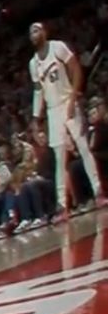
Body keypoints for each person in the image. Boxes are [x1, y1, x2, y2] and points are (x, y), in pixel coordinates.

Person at [29, 22, 104, 215]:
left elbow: (76, 69)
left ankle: (98, 191)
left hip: (67, 101)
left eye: (36, 30)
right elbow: (38, 91)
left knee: (83, 148)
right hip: (53, 111)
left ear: (44, 32)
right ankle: (63, 205)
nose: (34, 34)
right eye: (31, 33)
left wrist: (73, 98)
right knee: (59, 158)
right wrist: (36, 118)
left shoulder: (58, 47)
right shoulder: (33, 63)